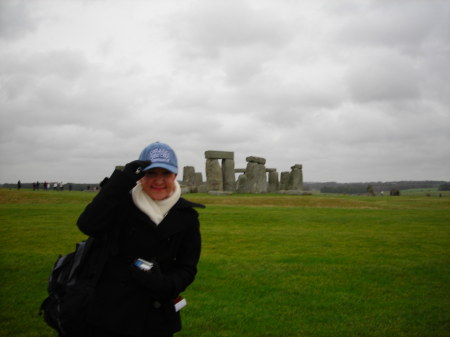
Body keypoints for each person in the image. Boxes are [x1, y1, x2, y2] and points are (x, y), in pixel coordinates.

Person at [76, 142, 204, 337]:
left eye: (165, 174)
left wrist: (166, 285)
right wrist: (120, 181)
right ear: (140, 176)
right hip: (110, 313)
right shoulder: (120, 205)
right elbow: (87, 224)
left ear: (175, 176)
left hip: (156, 315)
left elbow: (187, 267)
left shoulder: (187, 216)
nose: (158, 181)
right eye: (151, 173)